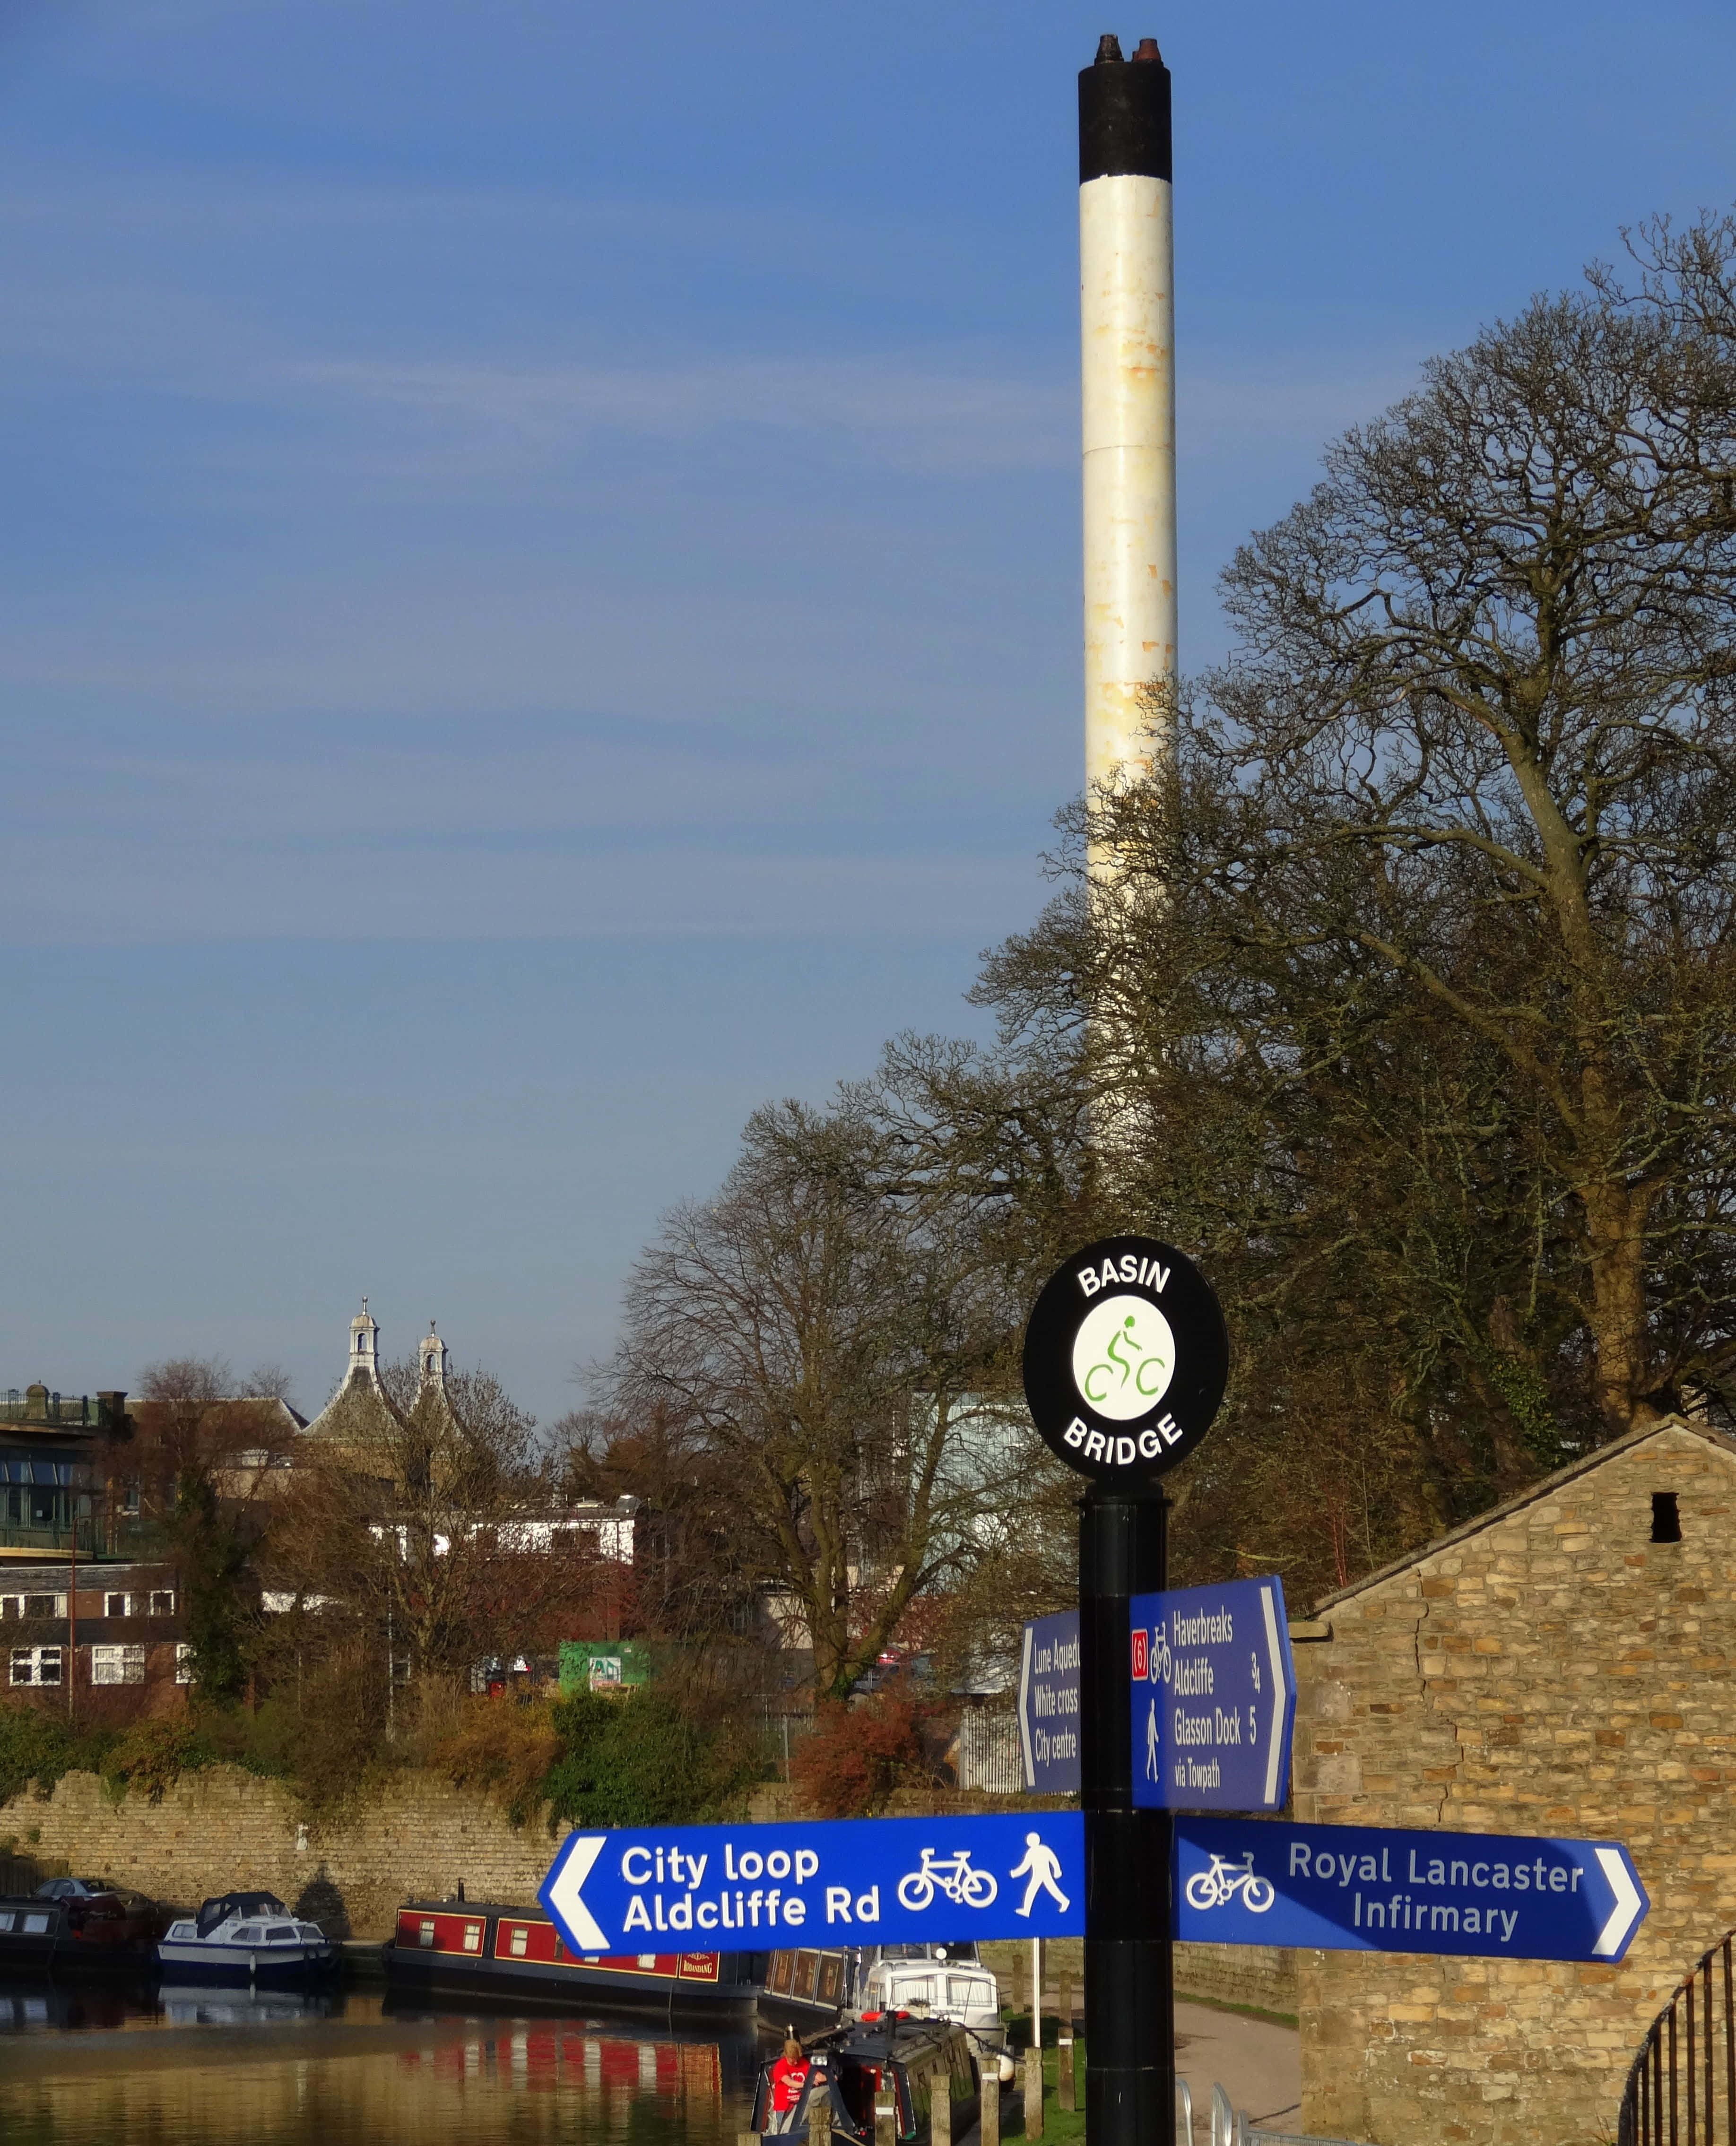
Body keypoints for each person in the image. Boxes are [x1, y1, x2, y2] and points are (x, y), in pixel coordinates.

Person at [767, 2034, 810, 2132]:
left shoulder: (804, 2063)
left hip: (801, 2107)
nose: (796, 2063)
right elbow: (789, 2082)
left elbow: (816, 2075)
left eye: (797, 2059)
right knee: (784, 2133)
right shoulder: (780, 2066)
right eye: (793, 2059)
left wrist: (831, 2077)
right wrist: (807, 2085)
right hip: (784, 2108)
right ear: (786, 2054)